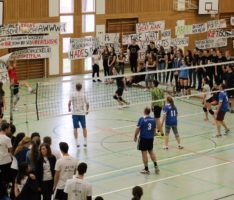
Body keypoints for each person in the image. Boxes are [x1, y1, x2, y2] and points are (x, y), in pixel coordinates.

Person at [134, 107, 159, 174]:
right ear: (149, 112)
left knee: (144, 153)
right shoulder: (153, 120)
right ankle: (156, 166)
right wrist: (153, 136)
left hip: (143, 138)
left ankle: (146, 169)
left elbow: (138, 129)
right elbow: (154, 131)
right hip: (150, 139)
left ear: (144, 111)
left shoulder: (142, 119)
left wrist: (135, 136)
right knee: (151, 151)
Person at [68, 83, 89, 148]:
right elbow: (87, 104)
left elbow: (69, 102)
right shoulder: (83, 95)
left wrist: (69, 108)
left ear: (76, 87)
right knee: (84, 128)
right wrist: (87, 110)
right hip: (82, 113)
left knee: (75, 128)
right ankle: (85, 142)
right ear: (81, 88)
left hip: (75, 114)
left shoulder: (72, 94)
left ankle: (77, 143)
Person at [0, 122, 12, 198]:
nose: (10, 130)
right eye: (9, 129)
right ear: (6, 129)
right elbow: (10, 150)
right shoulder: (7, 139)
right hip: (6, 162)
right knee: (6, 179)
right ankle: (5, 194)